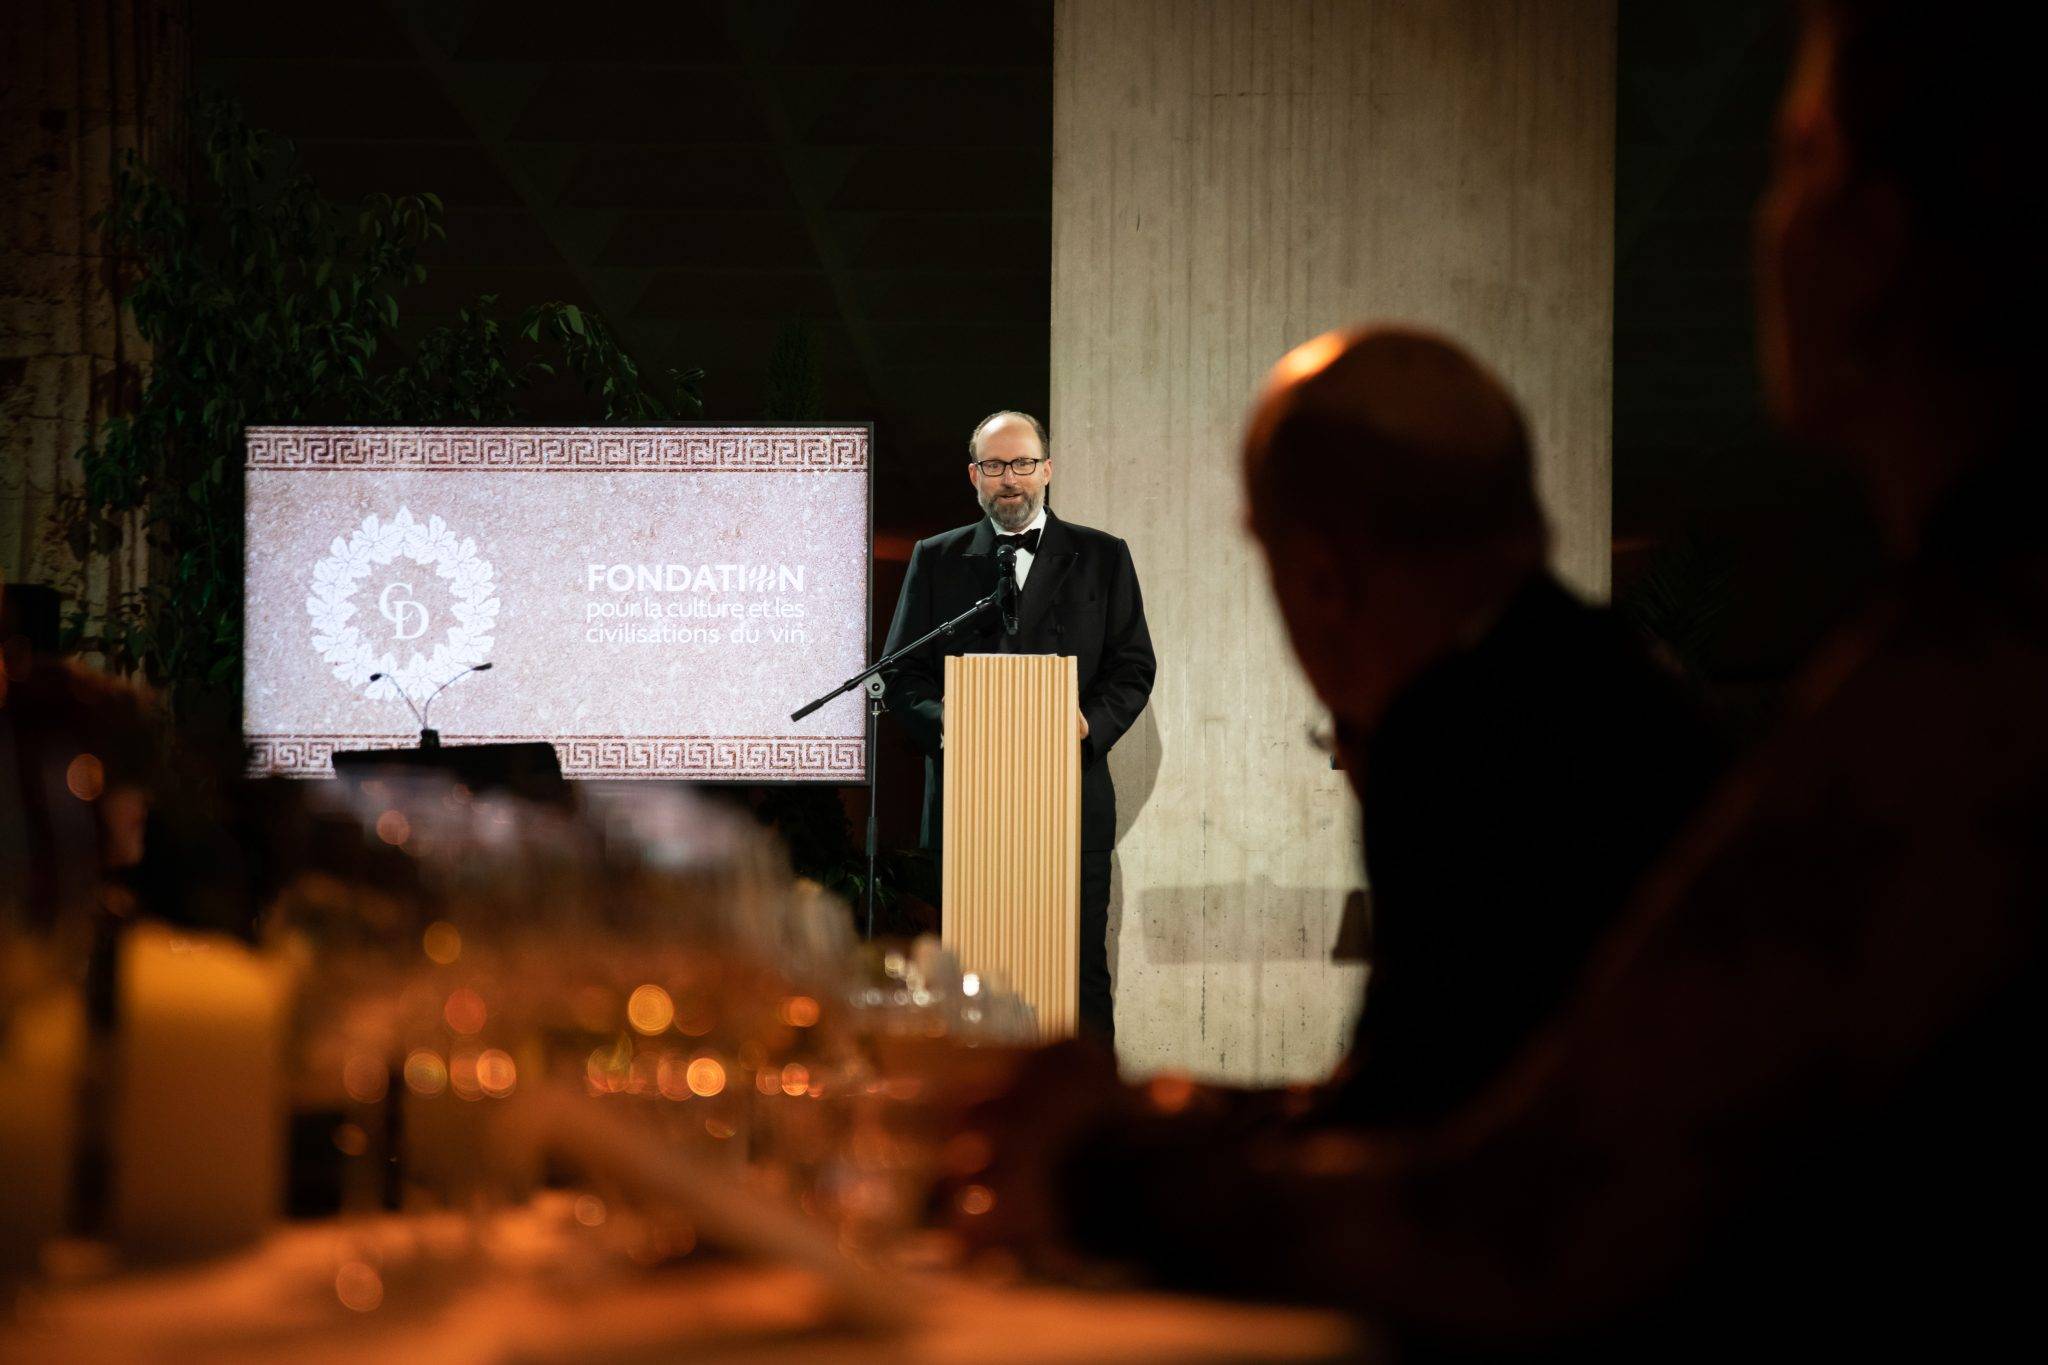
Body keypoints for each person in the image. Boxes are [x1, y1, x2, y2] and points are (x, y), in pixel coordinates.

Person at [968, 2, 2045, 1351]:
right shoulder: (1639, 684)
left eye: (1800, 157)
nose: (1764, 221)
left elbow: (1524, 1218)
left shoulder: (1968, 683)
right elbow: (1482, 1108)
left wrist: (1104, 1168)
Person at [1245, 326, 1723, 1127]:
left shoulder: (1453, 743)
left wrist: (1128, 1139)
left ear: (1321, 580)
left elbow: (1411, 1131)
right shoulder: (1602, 675)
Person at [882, 411, 1155, 1043]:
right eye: (996, 465)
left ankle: (1090, 1106)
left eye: (1024, 464)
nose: (1011, 479)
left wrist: (1087, 724)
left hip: (1070, 800)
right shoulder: (936, 557)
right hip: (968, 804)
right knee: (970, 978)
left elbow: (1133, 666)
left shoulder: (1104, 556)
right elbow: (902, 674)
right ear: (974, 476)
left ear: (1047, 469)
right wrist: (952, 725)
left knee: (1081, 977)